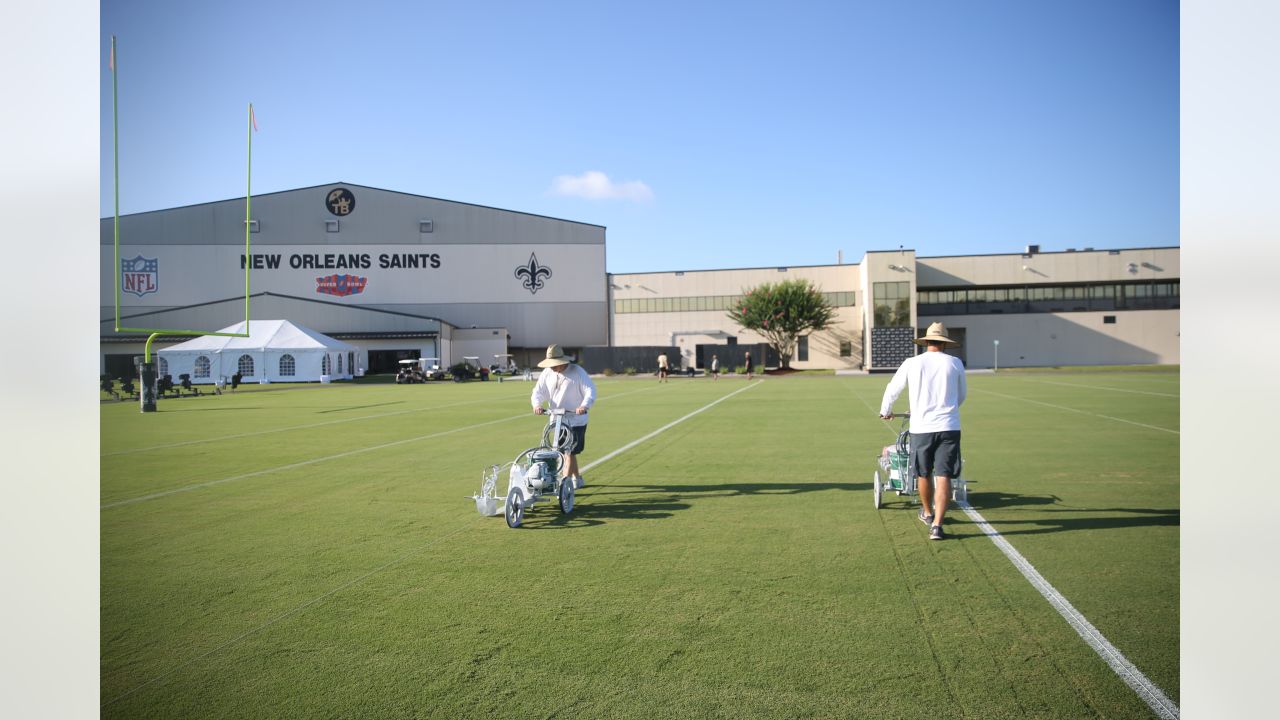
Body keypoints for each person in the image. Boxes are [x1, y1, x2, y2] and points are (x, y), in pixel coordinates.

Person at [879, 322, 966, 541]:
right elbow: (961, 395)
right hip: (949, 426)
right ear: (945, 343)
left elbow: (893, 387)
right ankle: (937, 525)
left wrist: (885, 410)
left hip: (922, 427)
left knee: (922, 472)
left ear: (926, 342)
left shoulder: (912, 362)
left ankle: (927, 512)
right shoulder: (955, 363)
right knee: (944, 474)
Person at [531, 344, 596, 489]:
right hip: (557, 419)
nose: (552, 367)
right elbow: (538, 391)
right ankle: (577, 478)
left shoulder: (577, 372)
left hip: (576, 419)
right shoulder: (547, 373)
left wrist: (584, 406)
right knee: (563, 452)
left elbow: (590, 390)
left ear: (563, 361)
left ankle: (564, 483)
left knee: (570, 452)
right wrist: (537, 405)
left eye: (555, 364)